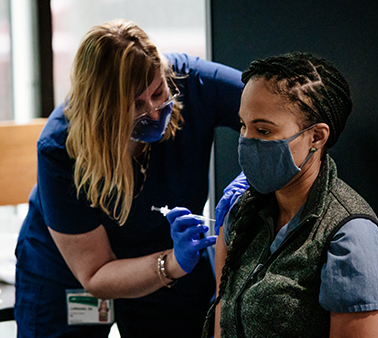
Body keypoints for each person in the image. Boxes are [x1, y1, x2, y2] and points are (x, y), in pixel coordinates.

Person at [14, 19, 244, 338]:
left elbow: (273, 106)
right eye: (136, 104)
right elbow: (95, 275)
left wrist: (252, 176)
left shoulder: (190, 81)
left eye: (158, 92)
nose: (153, 111)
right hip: (70, 272)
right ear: (104, 110)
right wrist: (172, 263)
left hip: (170, 252)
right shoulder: (62, 147)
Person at [201, 52, 378, 337]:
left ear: (316, 137)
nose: (246, 141)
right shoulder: (241, 214)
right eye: (244, 125)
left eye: (264, 130)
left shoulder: (352, 239)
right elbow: (222, 324)